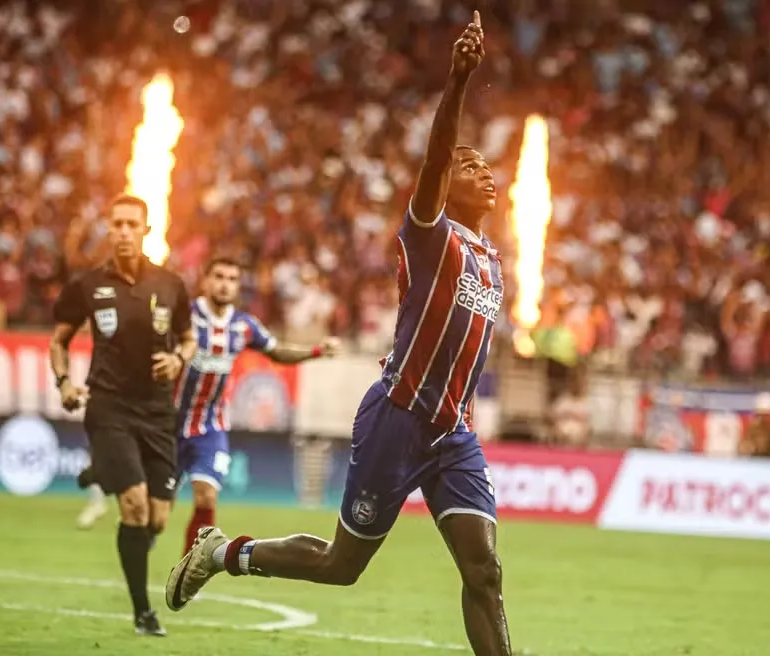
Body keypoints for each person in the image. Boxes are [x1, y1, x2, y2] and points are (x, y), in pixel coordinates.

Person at [166, 12, 513, 655]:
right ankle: (224, 554)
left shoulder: (492, 260)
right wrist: (458, 82)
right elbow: (437, 153)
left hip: (453, 433)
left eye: (486, 166)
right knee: (341, 566)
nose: (483, 172)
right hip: (398, 419)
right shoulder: (431, 237)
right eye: (470, 165)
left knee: (484, 571)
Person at [51, 194, 196, 636]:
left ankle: (100, 471)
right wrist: (64, 384)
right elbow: (59, 341)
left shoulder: (171, 284)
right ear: (109, 230)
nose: (125, 232)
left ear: (147, 230)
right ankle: (142, 614)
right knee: (133, 509)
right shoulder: (87, 285)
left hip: (157, 414)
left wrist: (178, 359)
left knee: (157, 519)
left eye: (133, 224)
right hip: (109, 407)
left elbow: (189, 339)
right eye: (117, 224)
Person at [176, 254, 339, 555]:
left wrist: (315, 351)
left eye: (232, 279)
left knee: (206, 498)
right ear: (205, 280)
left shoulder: (243, 326)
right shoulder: (184, 317)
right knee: (153, 515)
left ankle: (188, 569)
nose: (225, 285)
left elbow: (277, 351)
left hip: (210, 425)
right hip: (167, 425)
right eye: (219, 277)